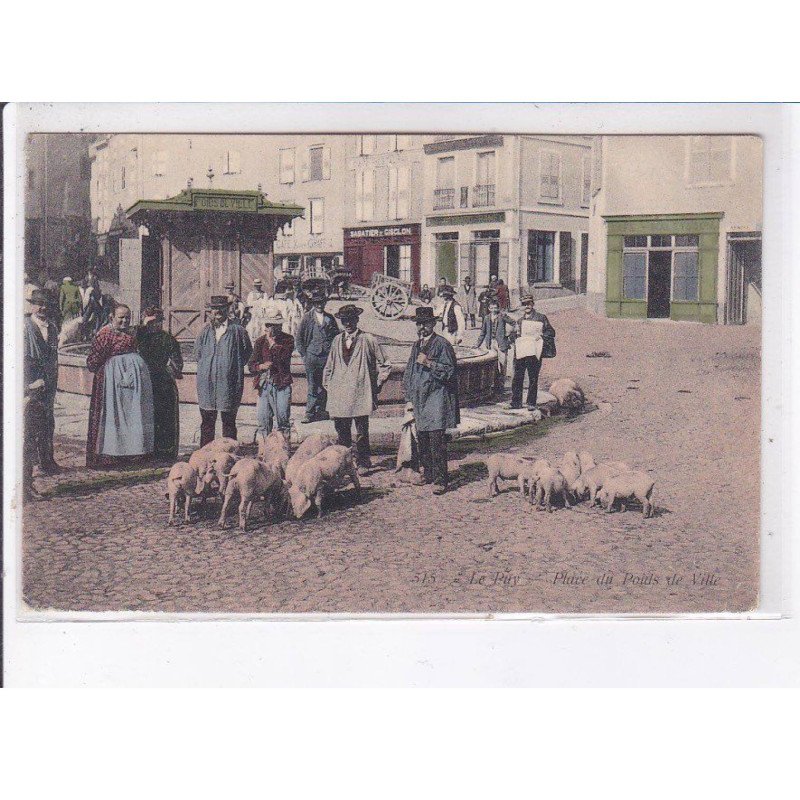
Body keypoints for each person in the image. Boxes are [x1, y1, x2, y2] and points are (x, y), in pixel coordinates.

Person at [322, 305, 392, 474]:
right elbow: (329, 366)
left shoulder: (368, 340)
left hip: (361, 393)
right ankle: (345, 464)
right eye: (344, 321)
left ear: (357, 320)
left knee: (361, 431)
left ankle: (363, 462)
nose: (348, 324)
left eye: (351, 320)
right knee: (342, 432)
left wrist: (377, 383)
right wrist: (329, 385)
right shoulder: (337, 340)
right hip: (340, 394)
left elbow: (385, 364)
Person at [86, 303, 155, 468]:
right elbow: (93, 361)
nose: (125, 321)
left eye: (127, 318)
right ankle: (112, 453)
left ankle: (133, 451)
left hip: (133, 384)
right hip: (112, 383)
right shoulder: (105, 334)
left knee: (133, 414)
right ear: (112, 317)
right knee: (114, 415)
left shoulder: (131, 332)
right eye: (121, 318)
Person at [403, 306, 460, 495]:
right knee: (423, 440)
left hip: (436, 398)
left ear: (433, 324)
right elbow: (409, 371)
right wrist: (408, 396)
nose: (422, 328)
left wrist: (429, 363)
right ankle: (428, 473)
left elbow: (450, 371)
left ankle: (441, 480)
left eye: (425, 324)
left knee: (437, 440)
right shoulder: (416, 345)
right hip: (420, 400)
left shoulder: (442, 344)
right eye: (419, 324)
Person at [194, 296, 253, 446]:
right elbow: (197, 354)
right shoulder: (205, 331)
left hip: (229, 383)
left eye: (221, 308)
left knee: (229, 422)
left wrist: (231, 367)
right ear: (210, 311)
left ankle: (230, 454)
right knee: (207, 422)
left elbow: (247, 352)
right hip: (207, 384)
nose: (218, 311)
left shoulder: (238, 331)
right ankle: (206, 455)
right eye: (215, 308)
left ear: (227, 309)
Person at [136, 307, 183, 461]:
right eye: (150, 322)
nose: (154, 325)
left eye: (157, 321)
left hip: (163, 383)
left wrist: (170, 369)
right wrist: (143, 326)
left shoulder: (168, 339)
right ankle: (144, 451)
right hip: (142, 381)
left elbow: (178, 364)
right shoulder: (138, 337)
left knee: (165, 418)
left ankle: (165, 452)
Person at [23, 289, 60, 476]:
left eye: (46, 304)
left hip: (48, 380)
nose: (43, 308)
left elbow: (53, 354)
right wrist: (28, 383)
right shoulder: (25, 326)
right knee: (31, 424)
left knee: (48, 420)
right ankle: (32, 464)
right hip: (32, 379)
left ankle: (47, 460)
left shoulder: (52, 327)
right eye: (39, 303)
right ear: (32, 305)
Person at [248, 313, 295, 444]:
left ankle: (284, 448)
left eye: (276, 325)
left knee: (283, 419)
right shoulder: (260, 342)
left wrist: (273, 344)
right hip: (264, 385)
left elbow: (283, 358)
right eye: (269, 325)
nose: (272, 328)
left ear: (280, 326)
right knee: (263, 420)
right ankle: (265, 448)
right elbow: (251, 365)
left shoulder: (288, 340)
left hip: (282, 384)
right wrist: (260, 366)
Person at [296, 290, 339, 424]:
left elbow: (336, 337)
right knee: (312, 385)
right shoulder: (307, 318)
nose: (319, 305)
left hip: (326, 356)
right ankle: (309, 413)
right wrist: (304, 355)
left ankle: (321, 411)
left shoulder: (330, 318)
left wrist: (333, 353)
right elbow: (299, 338)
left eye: (321, 302)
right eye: (317, 303)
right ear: (313, 304)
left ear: (325, 303)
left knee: (325, 383)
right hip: (312, 356)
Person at [509, 294, 556, 410]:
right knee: (517, 377)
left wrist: (541, 336)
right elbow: (512, 337)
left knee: (533, 378)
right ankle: (516, 402)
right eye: (524, 304)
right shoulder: (520, 321)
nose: (527, 306)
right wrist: (514, 334)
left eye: (529, 303)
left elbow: (551, 332)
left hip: (534, 352)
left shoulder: (541, 318)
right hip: (521, 352)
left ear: (533, 304)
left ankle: (531, 403)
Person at [476, 297, 513, 389]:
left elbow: (514, 323)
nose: (493, 310)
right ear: (489, 308)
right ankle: (494, 384)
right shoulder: (486, 318)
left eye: (495, 308)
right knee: (492, 363)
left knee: (502, 363)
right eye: (491, 308)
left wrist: (508, 333)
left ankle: (502, 384)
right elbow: (483, 332)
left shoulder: (502, 316)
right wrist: (477, 344)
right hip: (490, 343)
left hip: (501, 343)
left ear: (498, 308)